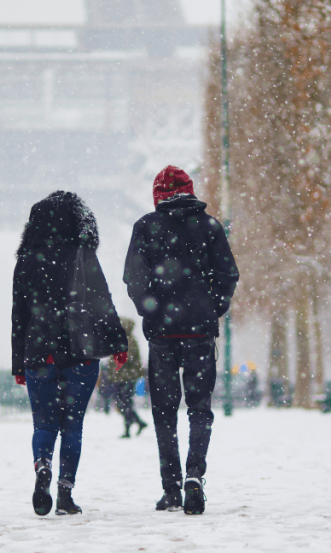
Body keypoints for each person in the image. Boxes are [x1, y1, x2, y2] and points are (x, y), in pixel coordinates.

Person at [123, 165, 239, 515]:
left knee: (164, 412)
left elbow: (134, 279)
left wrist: (152, 310)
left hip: (162, 334)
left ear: (157, 195)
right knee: (200, 408)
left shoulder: (145, 226)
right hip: (199, 332)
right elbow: (228, 275)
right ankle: (194, 474)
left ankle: (171, 488)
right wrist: (210, 308)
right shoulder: (210, 226)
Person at [12, 191, 128, 517]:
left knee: (44, 425)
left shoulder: (26, 260)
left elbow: (19, 316)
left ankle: (42, 466)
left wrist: (18, 363)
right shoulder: (82, 254)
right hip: (80, 350)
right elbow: (102, 301)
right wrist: (118, 343)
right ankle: (65, 493)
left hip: (39, 352)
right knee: (73, 426)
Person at [109, 317, 148, 438]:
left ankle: (130, 428)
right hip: (120, 377)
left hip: (128, 377)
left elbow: (128, 358)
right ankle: (137, 423)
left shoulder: (130, 340)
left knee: (125, 403)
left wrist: (116, 357)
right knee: (123, 403)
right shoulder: (120, 340)